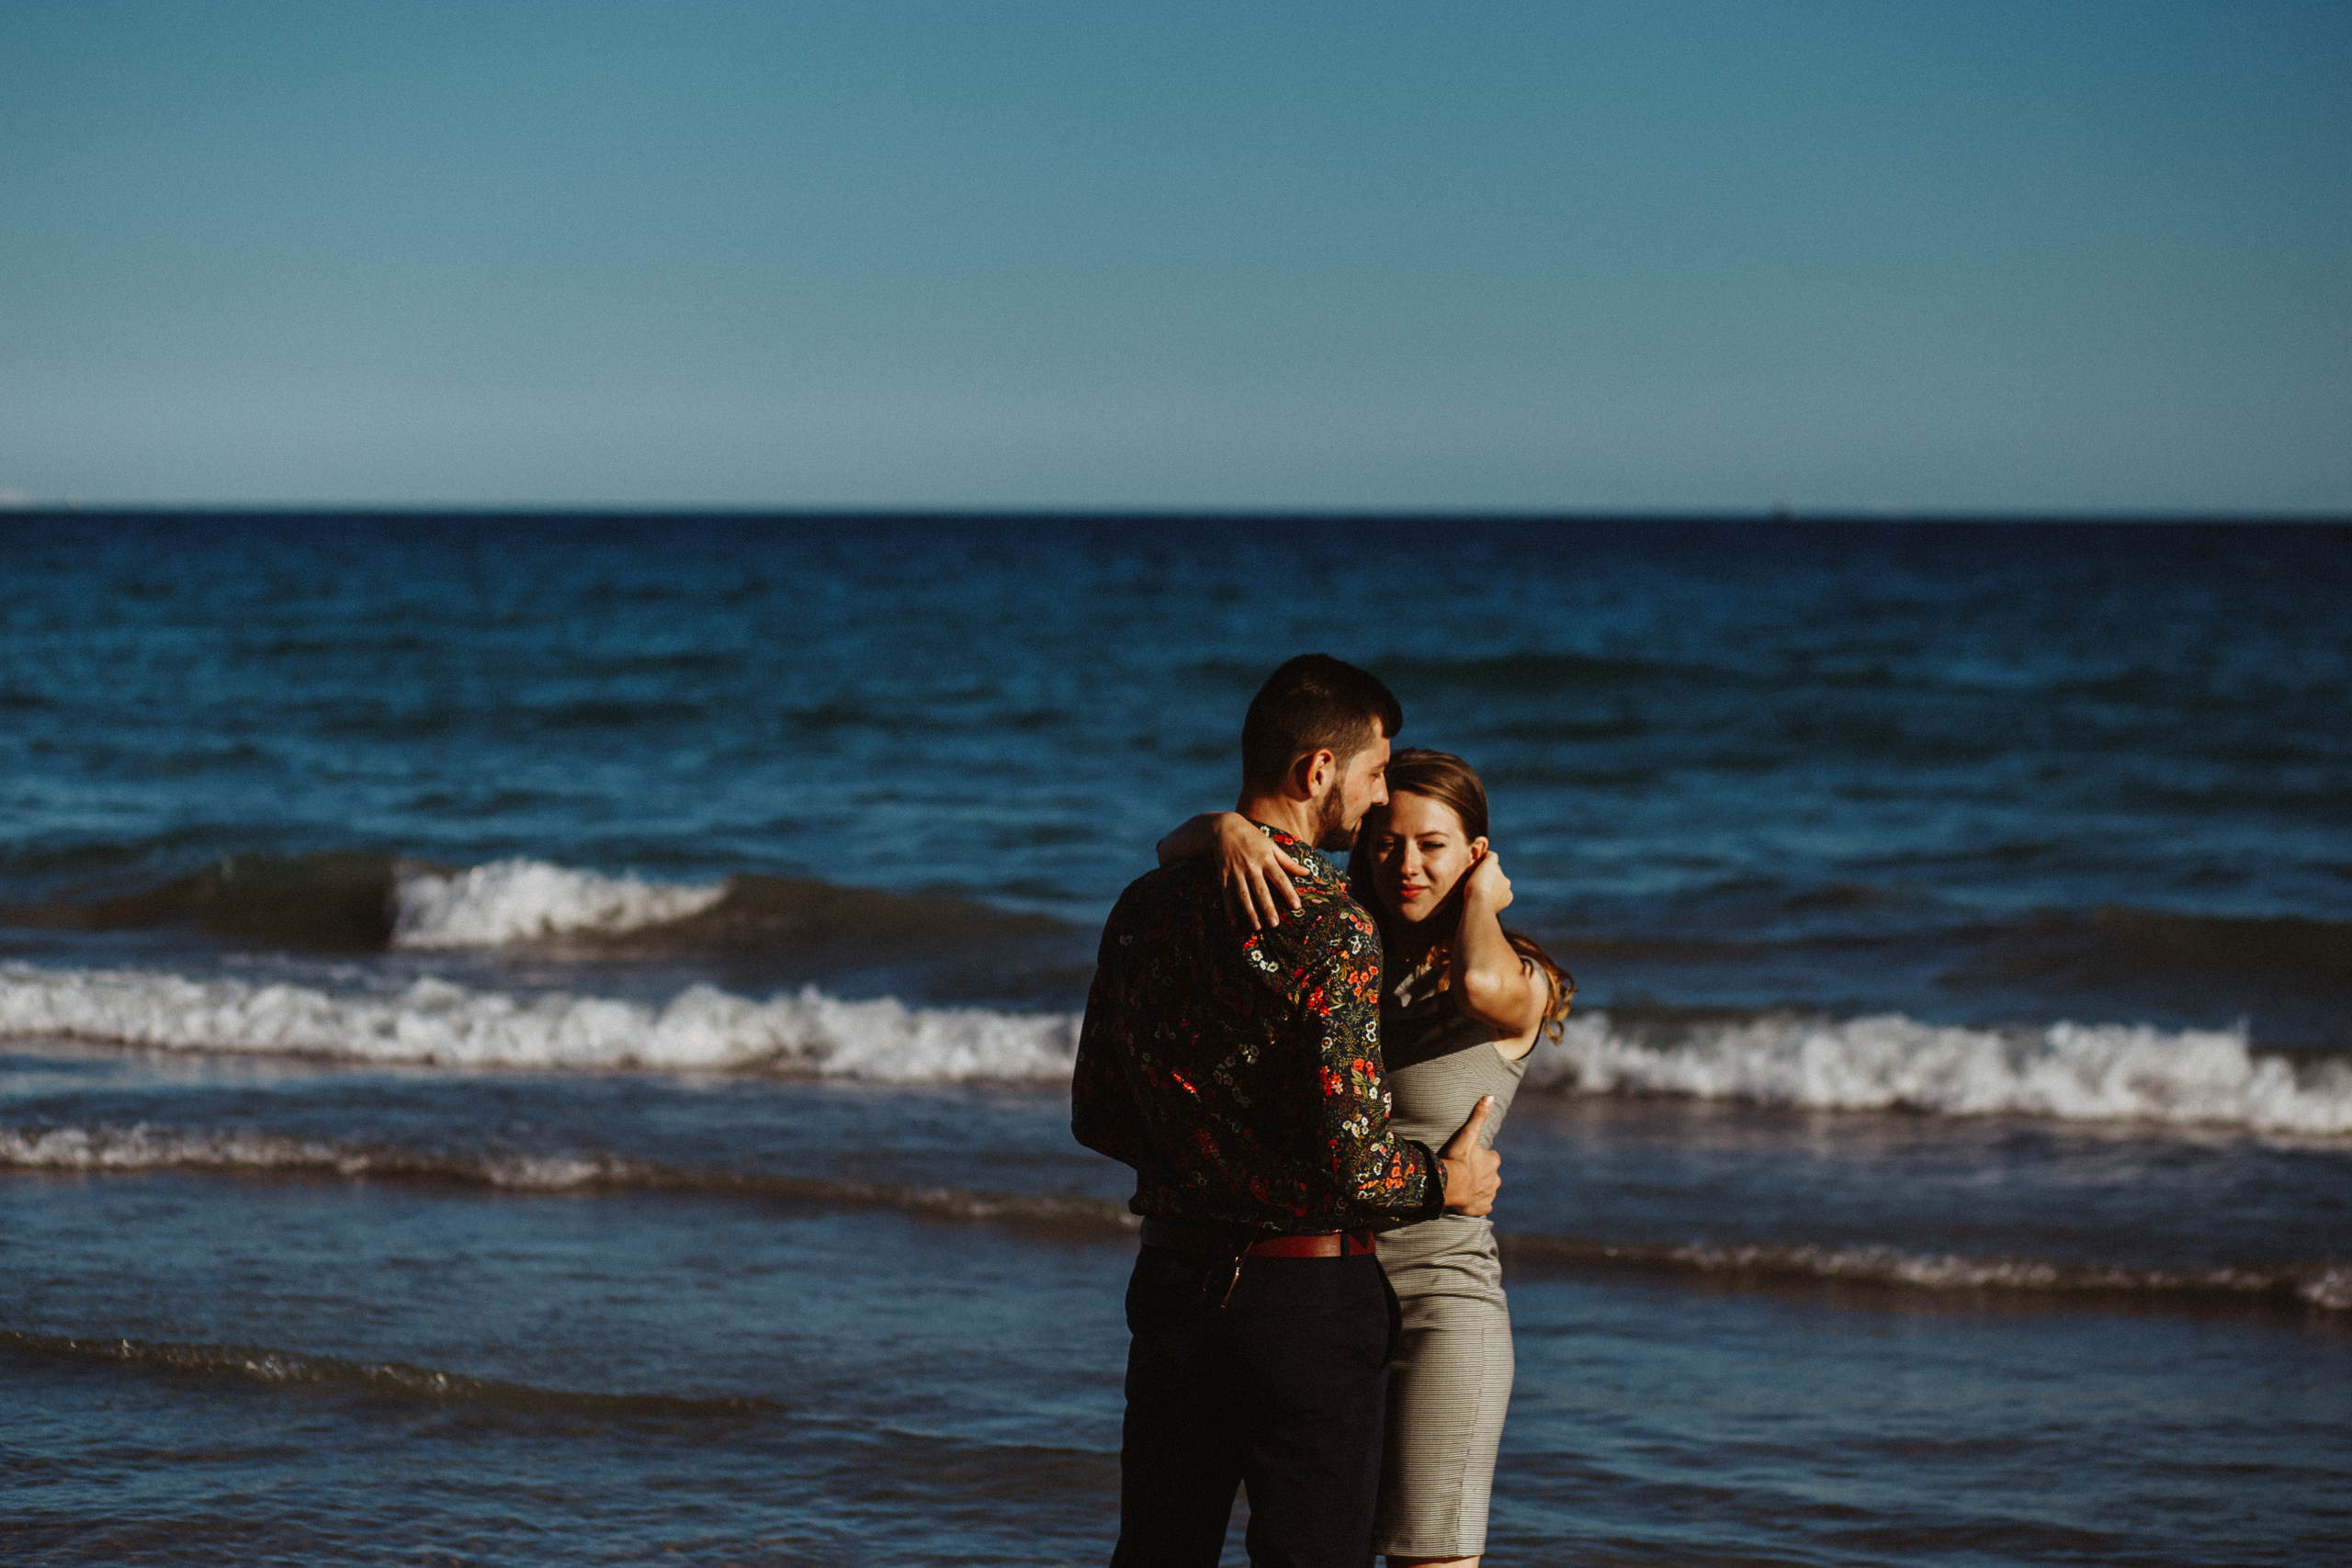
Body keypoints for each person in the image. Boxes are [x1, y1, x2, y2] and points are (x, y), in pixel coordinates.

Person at [1073, 657, 1504, 1568]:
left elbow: (1098, 1115)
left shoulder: (1144, 906)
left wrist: (1209, 1165)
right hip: (1304, 1297)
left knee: (1157, 1555)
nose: (1380, 800)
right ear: (1318, 773)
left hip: (1174, 1285)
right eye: (1375, 773)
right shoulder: (1333, 926)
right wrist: (1444, 1181)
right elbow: (1355, 1164)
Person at [1159, 747, 1574, 1568]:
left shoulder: (1519, 980)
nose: (1405, 864)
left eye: (1433, 844)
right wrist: (1230, 830)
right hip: (1320, 1299)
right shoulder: (1344, 956)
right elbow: (1170, 851)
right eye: (1385, 841)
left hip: (1437, 1305)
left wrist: (1483, 902)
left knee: (1427, 1560)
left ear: (1476, 852)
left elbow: (1482, 983)